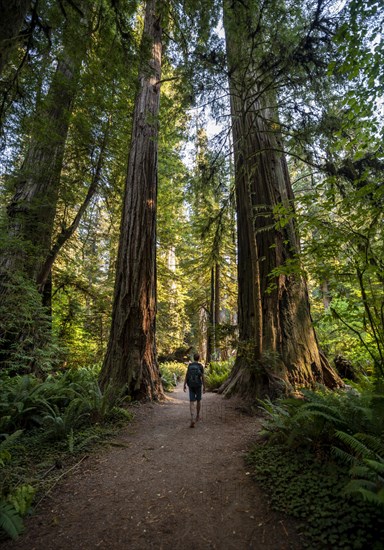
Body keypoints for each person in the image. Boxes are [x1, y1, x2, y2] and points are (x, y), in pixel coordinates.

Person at [183, 353, 205, 428]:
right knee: (198, 401)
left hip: (191, 385)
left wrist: (184, 385)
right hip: (198, 385)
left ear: (193, 358)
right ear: (198, 358)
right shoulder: (200, 366)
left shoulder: (190, 365)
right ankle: (197, 416)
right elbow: (202, 377)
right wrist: (204, 386)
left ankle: (192, 418)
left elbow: (186, 375)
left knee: (191, 402)